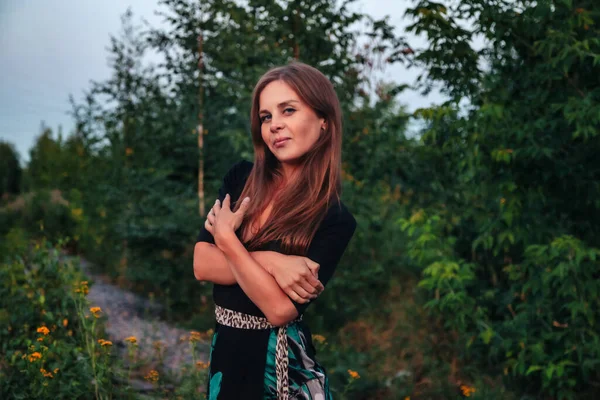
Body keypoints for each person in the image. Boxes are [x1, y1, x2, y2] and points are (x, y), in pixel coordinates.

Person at [193, 61, 357, 400]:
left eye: (289, 110)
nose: (275, 125)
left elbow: (279, 309)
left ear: (323, 121)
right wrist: (273, 262)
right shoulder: (241, 178)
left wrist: (226, 240)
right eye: (266, 116)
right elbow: (201, 264)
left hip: (280, 366)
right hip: (225, 351)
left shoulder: (335, 218)